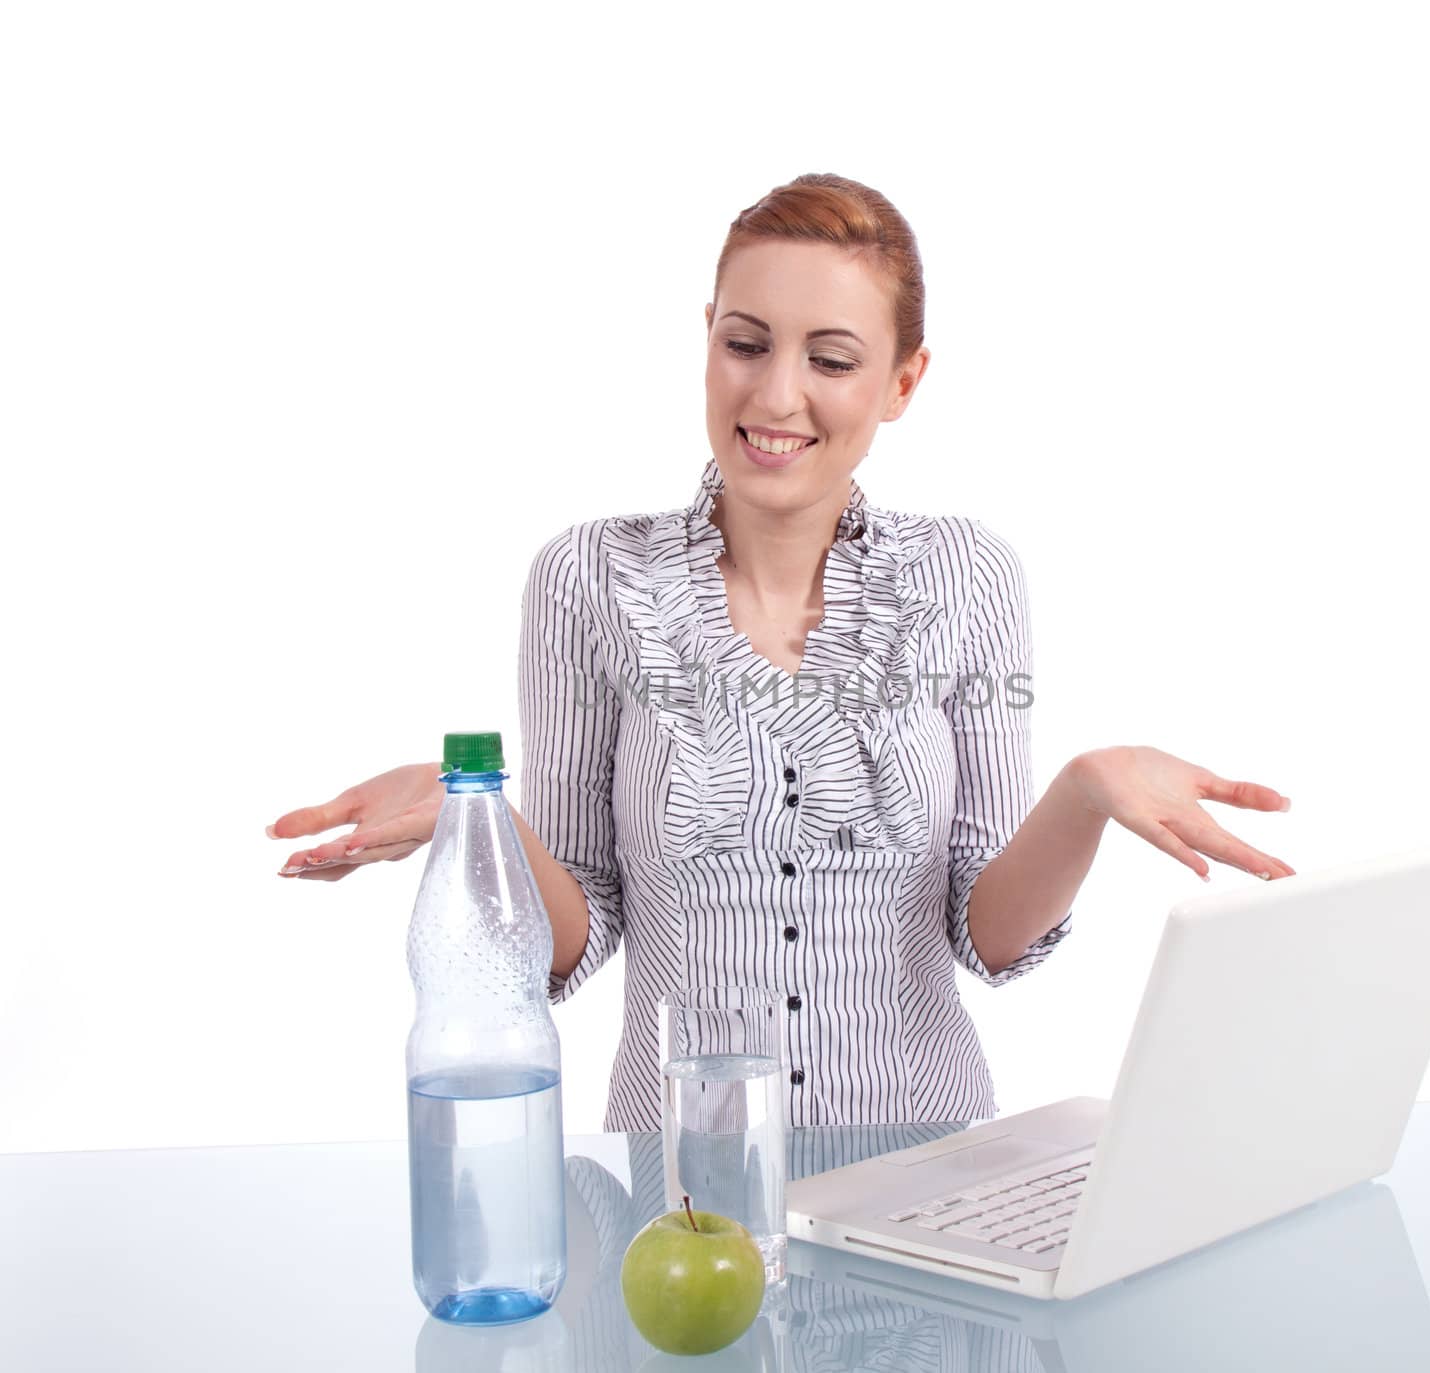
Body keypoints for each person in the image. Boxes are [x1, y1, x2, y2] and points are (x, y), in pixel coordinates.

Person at [266, 172, 1294, 1133]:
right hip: (680, 1183)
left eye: (832, 359)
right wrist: (472, 806)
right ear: (705, 337)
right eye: (745, 343)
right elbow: (574, 934)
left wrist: (1086, 790)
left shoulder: (968, 575)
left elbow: (989, 936)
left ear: (901, 381)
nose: (774, 396)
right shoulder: (586, 578)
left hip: (923, 1162)